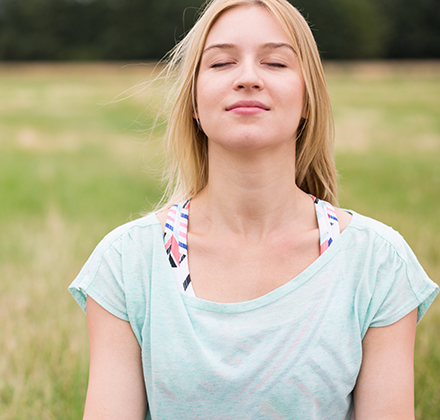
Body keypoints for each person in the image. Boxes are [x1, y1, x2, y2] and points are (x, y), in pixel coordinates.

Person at [69, 0, 438, 418]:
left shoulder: (378, 264)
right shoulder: (126, 264)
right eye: (222, 63)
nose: (247, 78)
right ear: (193, 100)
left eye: (276, 63)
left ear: (308, 99)